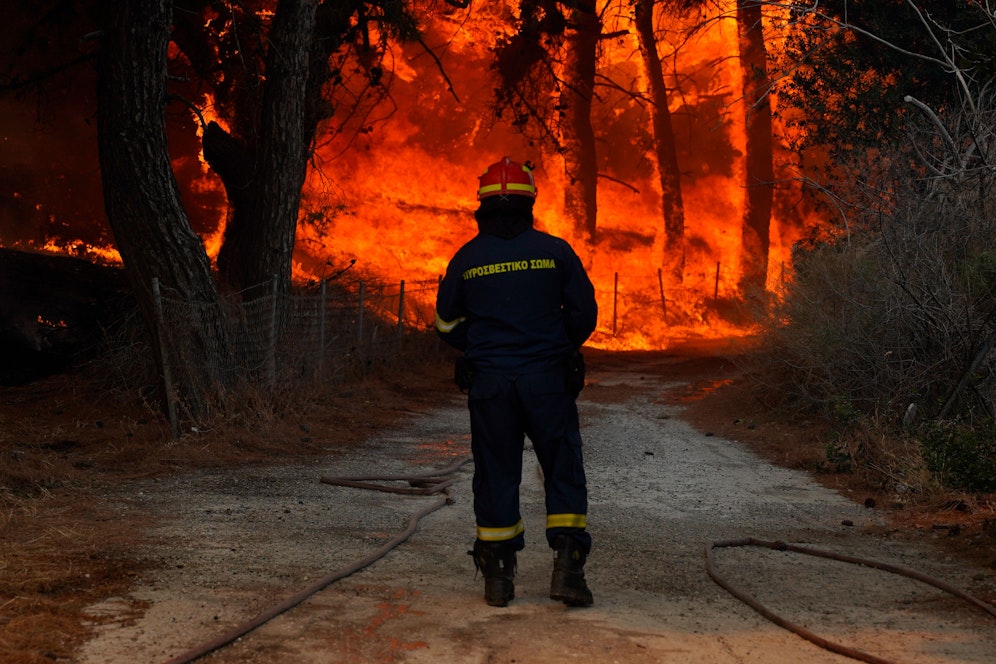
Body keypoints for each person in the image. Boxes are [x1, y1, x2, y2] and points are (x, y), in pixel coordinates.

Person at [434, 157, 599, 608]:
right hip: (547, 382)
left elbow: (445, 324)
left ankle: (498, 579)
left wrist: (481, 348)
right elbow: (585, 315)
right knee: (562, 465)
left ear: (482, 206)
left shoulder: (466, 259)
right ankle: (567, 570)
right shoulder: (556, 252)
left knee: (496, 473)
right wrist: (557, 348)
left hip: (491, 386)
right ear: (530, 203)